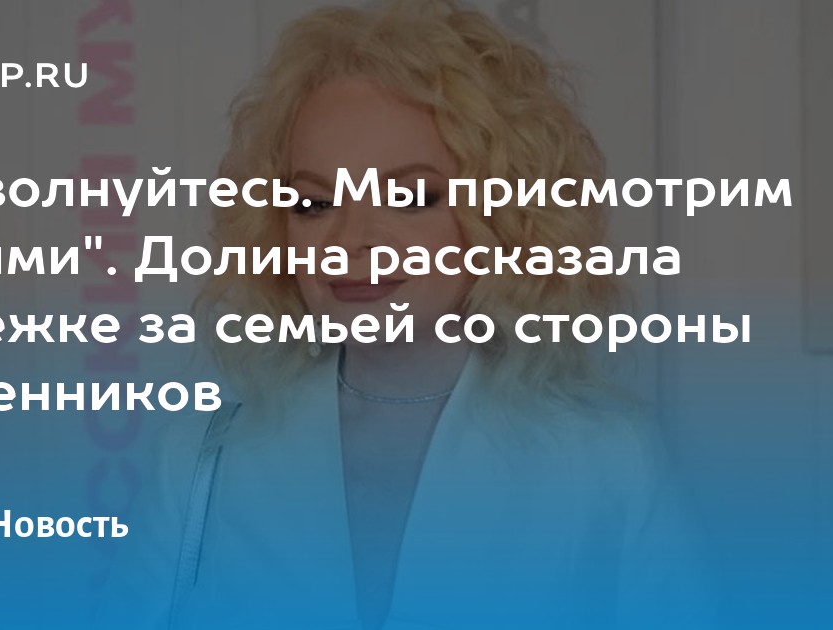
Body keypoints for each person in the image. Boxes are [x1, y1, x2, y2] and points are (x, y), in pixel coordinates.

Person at [98, 1, 712, 628]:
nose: (350, 241)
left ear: (505, 214)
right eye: (314, 203)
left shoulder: (609, 461)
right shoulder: (200, 463)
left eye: (409, 196)